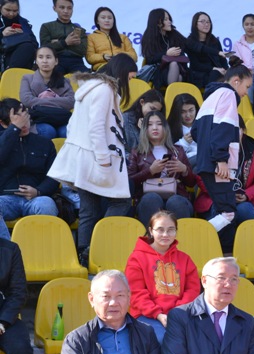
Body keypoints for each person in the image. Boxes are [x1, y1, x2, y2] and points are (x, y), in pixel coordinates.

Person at [47, 54, 138, 266]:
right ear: (122, 72)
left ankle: (84, 254)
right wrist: (103, 158)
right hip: (98, 158)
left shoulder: (90, 88)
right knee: (121, 201)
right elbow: (96, 126)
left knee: (89, 209)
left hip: (84, 158)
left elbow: (72, 125)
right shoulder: (105, 89)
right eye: (130, 77)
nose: (130, 82)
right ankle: (99, 244)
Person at [192, 65, 253, 239]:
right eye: (247, 87)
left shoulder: (211, 97)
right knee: (228, 213)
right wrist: (221, 160)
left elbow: (195, 131)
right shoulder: (228, 95)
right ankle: (196, 238)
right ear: (236, 81)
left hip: (206, 163)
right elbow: (223, 128)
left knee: (222, 210)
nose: (247, 93)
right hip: (218, 166)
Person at [125, 210, 200, 343]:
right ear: (151, 231)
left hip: (180, 314)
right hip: (147, 315)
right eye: (160, 229)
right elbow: (136, 293)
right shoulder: (136, 258)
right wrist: (158, 314)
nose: (165, 234)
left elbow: (192, 289)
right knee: (165, 340)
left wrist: (177, 312)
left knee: (200, 338)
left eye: (171, 230)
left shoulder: (185, 259)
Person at [126, 110, 197, 226]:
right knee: (151, 198)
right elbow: (130, 182)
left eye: (159, 124)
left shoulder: (178, 150)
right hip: (147, 197)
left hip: (177, 195)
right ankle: (150, 236)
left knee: (176, 201)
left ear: (165, 128)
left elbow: (191, 183)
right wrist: (150, 171)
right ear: (145, 129)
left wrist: (184, 169)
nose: (155, 128)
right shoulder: (137, 152)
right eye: (150, 124)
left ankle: (181, 237)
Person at [0, 99, 58, 220]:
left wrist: (38, 191)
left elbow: (54, 176)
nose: (24, 125)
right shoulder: (3, 141)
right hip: (4, 198)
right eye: (17, 121)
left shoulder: (45, 143)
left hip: (36, 197)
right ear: (3, 124)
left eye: (25, 118)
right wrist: (14, 129)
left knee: (46, 205)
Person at [19, 45, 74, 140]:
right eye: (40, 57)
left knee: (66, 131)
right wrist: (57, 100)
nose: (44, 61)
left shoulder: (65, 81)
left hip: (60, 118)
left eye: (48, 57)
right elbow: (26, 100)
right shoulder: (27, 78)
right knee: (48, 130)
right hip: (37, 120)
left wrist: (40, 100)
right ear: (36, 61)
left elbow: (71, 101)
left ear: (56, 61)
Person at [0, 237, 34, 354]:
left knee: (21, 349)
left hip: (4, 317)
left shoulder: (10, 249)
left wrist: (3, 322)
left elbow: (18, 292)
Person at [140, 8, 186, 89]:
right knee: (174, 66)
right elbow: (150, 59)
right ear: (158, 22)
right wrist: (166, 54)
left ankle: (171, 92)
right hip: (158, 70)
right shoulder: (149, 37)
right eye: (166, 19)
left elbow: (187, 45)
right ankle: (172, 92)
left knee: (179, 75)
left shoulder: (173, 33)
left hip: (179, 68)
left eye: (169, 19)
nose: (169, 22)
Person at [39, 0, 87, 73]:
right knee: (52, 77)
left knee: (88, 78)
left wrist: (57, 42)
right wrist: (65, 42)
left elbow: (83, 51)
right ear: (54, 8)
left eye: (69, 8)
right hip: (55, 60)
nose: (66, 11)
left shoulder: (81, 30)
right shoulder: (47, 27)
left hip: (76, 62)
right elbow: (45, 48)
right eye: (62, 7)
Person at [185, 12, 228, 90]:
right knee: (215, 74)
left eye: (208, 22)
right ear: (195, 24)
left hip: (218, 72)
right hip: (199, 75)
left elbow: (222, 60)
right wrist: (214, 68)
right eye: (202, 21)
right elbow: (195, 65)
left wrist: (226, 70)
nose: (206, 24)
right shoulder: (191, 41)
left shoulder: (214, 40)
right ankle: (208, 95)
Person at [85, 6, 136, 72]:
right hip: (103, 68)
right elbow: (90, 57)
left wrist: (121, 55)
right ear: (97, 21)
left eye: (110, 18)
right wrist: (103, 57)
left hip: (123, 67)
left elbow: (134, 56)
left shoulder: (123, 37)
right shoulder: (91, 37)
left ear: (113, 20)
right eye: (103, 18)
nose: (107, 20)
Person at [0, 0, 37, 70]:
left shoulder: (23, 23)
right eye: (8, 10)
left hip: (20, 57)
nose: (11, 14)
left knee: (28, 46)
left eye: (15, 11)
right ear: (0, 7)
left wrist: (22, 35)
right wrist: (2, 34)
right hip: (3, 55)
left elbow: (34, 43)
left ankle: (10, 71)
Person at [167, 93, 198, 165]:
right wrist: (184, 142)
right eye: (183, 112)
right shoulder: (169, 128)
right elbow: (168, 154)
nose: (188, 115)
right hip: (183, 162)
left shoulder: (204, 125)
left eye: (191, 110)